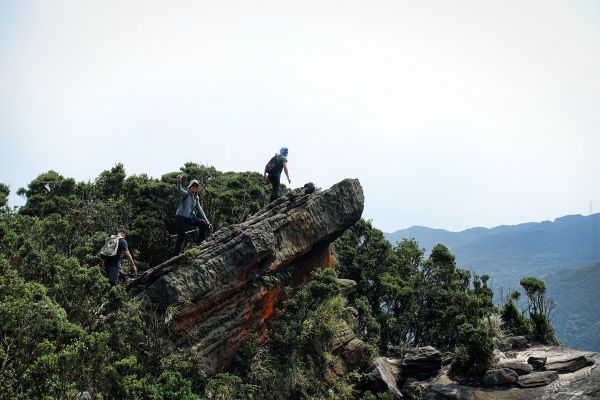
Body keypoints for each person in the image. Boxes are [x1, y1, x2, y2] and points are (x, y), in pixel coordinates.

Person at [175, 175, 212, 253]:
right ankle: (176, 255)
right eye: (193, 186)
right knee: (181, 237)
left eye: (196, 186)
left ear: (197, 189)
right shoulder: (186, 194)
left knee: (203, 224)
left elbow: (201, 211)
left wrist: (208, 221)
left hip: (189, 219)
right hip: (181, 218)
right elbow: (179, 190)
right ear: (190, 187)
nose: (195, 187)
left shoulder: (196, 198)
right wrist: (179, 181)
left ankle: (200, 244)